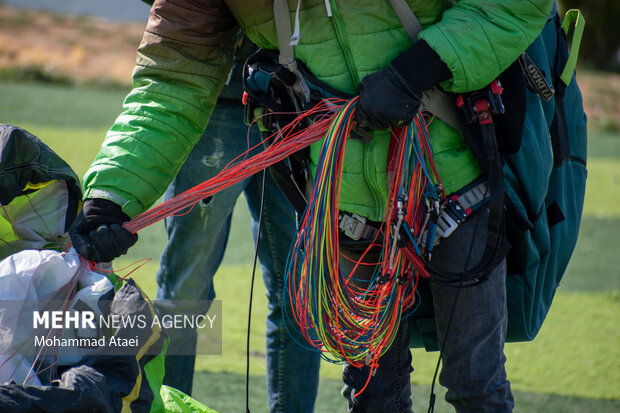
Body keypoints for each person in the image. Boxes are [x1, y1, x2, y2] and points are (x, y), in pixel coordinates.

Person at [69, 1, 555, 411]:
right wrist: (111, 195)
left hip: (456, 192)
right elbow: (174, 80)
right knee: (372, 390)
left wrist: (421, 68)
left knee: (476, 383)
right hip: (344, 210)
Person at [151, 35, 321, 412]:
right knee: (184, 291)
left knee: (299, 292)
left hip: (295, 104)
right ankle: (167, 406)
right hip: (215, 103)